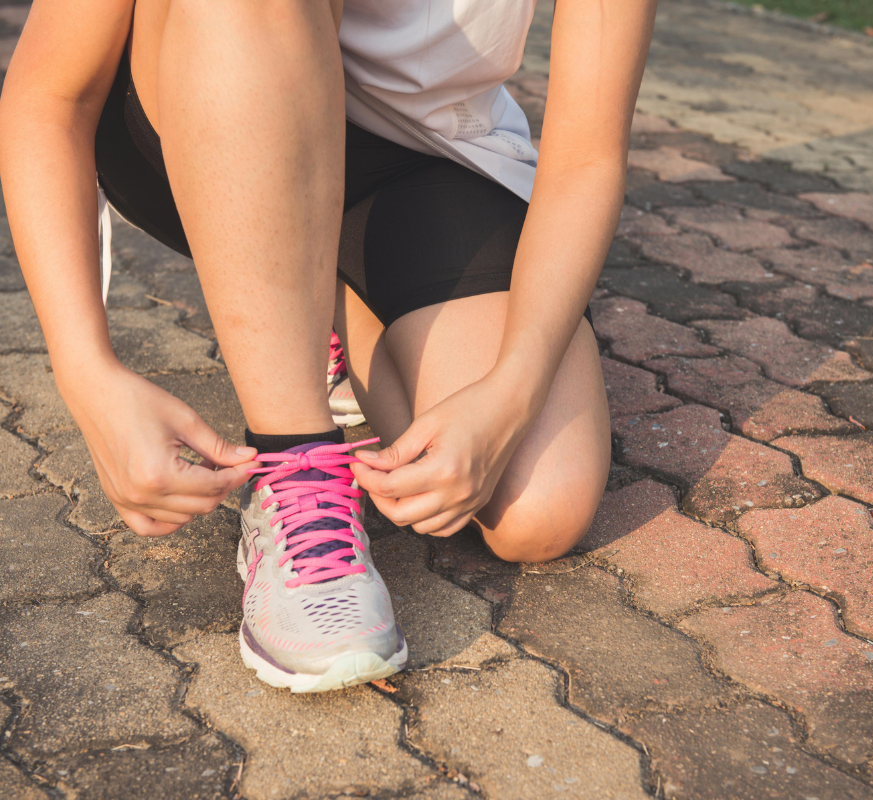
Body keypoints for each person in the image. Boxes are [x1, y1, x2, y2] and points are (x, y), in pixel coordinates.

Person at [0, 0, 656, 692]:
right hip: (203, 89)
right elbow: (48, 96)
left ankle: (310, 300)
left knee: (535, 507)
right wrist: (86, 370)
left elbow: (587, 156)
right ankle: (295, 465)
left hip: (424, 155)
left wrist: (512, 392)